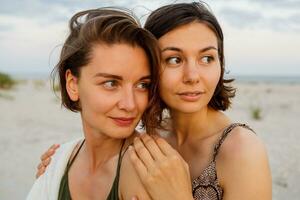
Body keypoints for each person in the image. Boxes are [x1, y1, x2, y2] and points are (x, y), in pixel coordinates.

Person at [35, 2, 272, 200]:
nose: (192, 76)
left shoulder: (241, 150)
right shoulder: (146, 136)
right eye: (174, 59)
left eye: (208, 58)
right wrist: (59, 163)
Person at [26, 7, 166, 200]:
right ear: (73, 84)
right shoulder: (58, 162)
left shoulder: (147, 170)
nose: (130, 104)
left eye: (142, 85)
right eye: (111, 83)